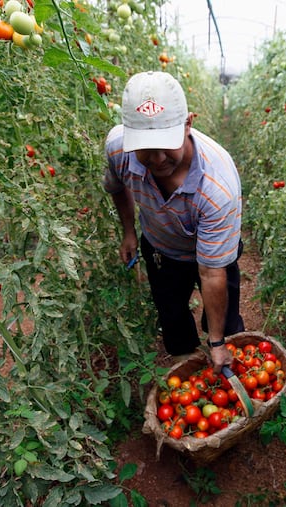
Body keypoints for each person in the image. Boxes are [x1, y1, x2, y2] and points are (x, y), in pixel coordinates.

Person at [102, 71, 244, 370]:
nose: (156, 158)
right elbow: (117, 187)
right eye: (145, 147)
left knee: (227, 323)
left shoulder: (217, 187)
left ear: (188, 123)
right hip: (161, 246)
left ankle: (223, 350)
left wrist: (217, 342)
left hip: (211, 255)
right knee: (171, 312)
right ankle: (187, 366)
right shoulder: (118, 149)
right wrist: (129, 231)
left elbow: (211, 273)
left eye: (165, 143)